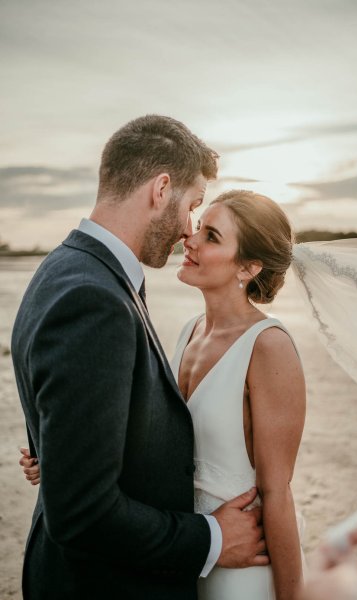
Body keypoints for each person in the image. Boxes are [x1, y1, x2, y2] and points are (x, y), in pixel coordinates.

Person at [12, 116, 269, 600]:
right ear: (161, 189)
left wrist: (58, 458)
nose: (188, 230)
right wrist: (212, 539)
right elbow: (83, 513)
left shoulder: (65, 267)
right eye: (193, 206)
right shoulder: (94, 299)